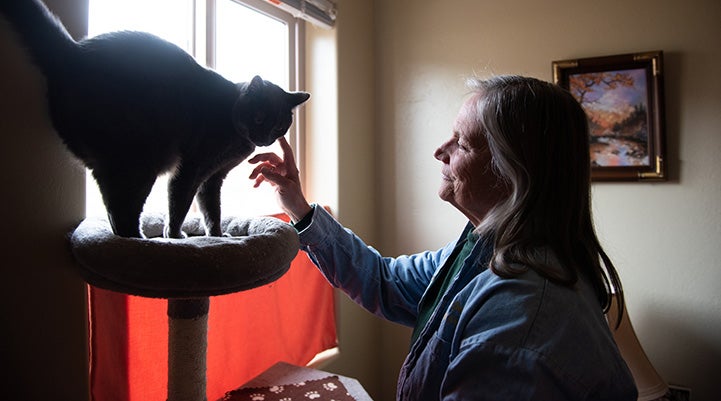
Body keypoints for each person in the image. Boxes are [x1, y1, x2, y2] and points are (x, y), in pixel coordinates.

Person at [248, 75, 637, 400]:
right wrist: (298, 206)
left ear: (514, 173)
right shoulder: (481, 247)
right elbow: (384, 281)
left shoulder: (520, 321)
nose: (440, 151)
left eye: (463, 143)